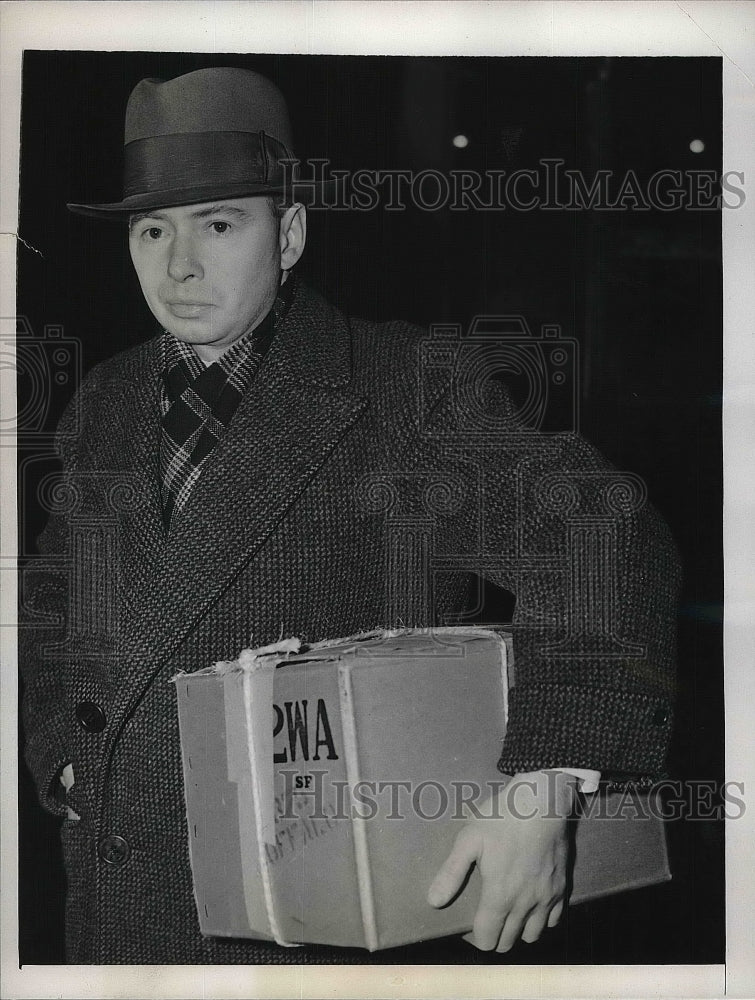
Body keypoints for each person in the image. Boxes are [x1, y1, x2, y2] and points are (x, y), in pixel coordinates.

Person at [19, 67, 680, 964]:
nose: (178, 267)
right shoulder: (104, 399)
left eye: (219, 225)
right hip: (111, 906)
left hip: (306, 931)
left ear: (287, 235)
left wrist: (545, 783)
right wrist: (59, 744)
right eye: (151, 230)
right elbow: (54, 596)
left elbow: (609, 540)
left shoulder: (403, 387)